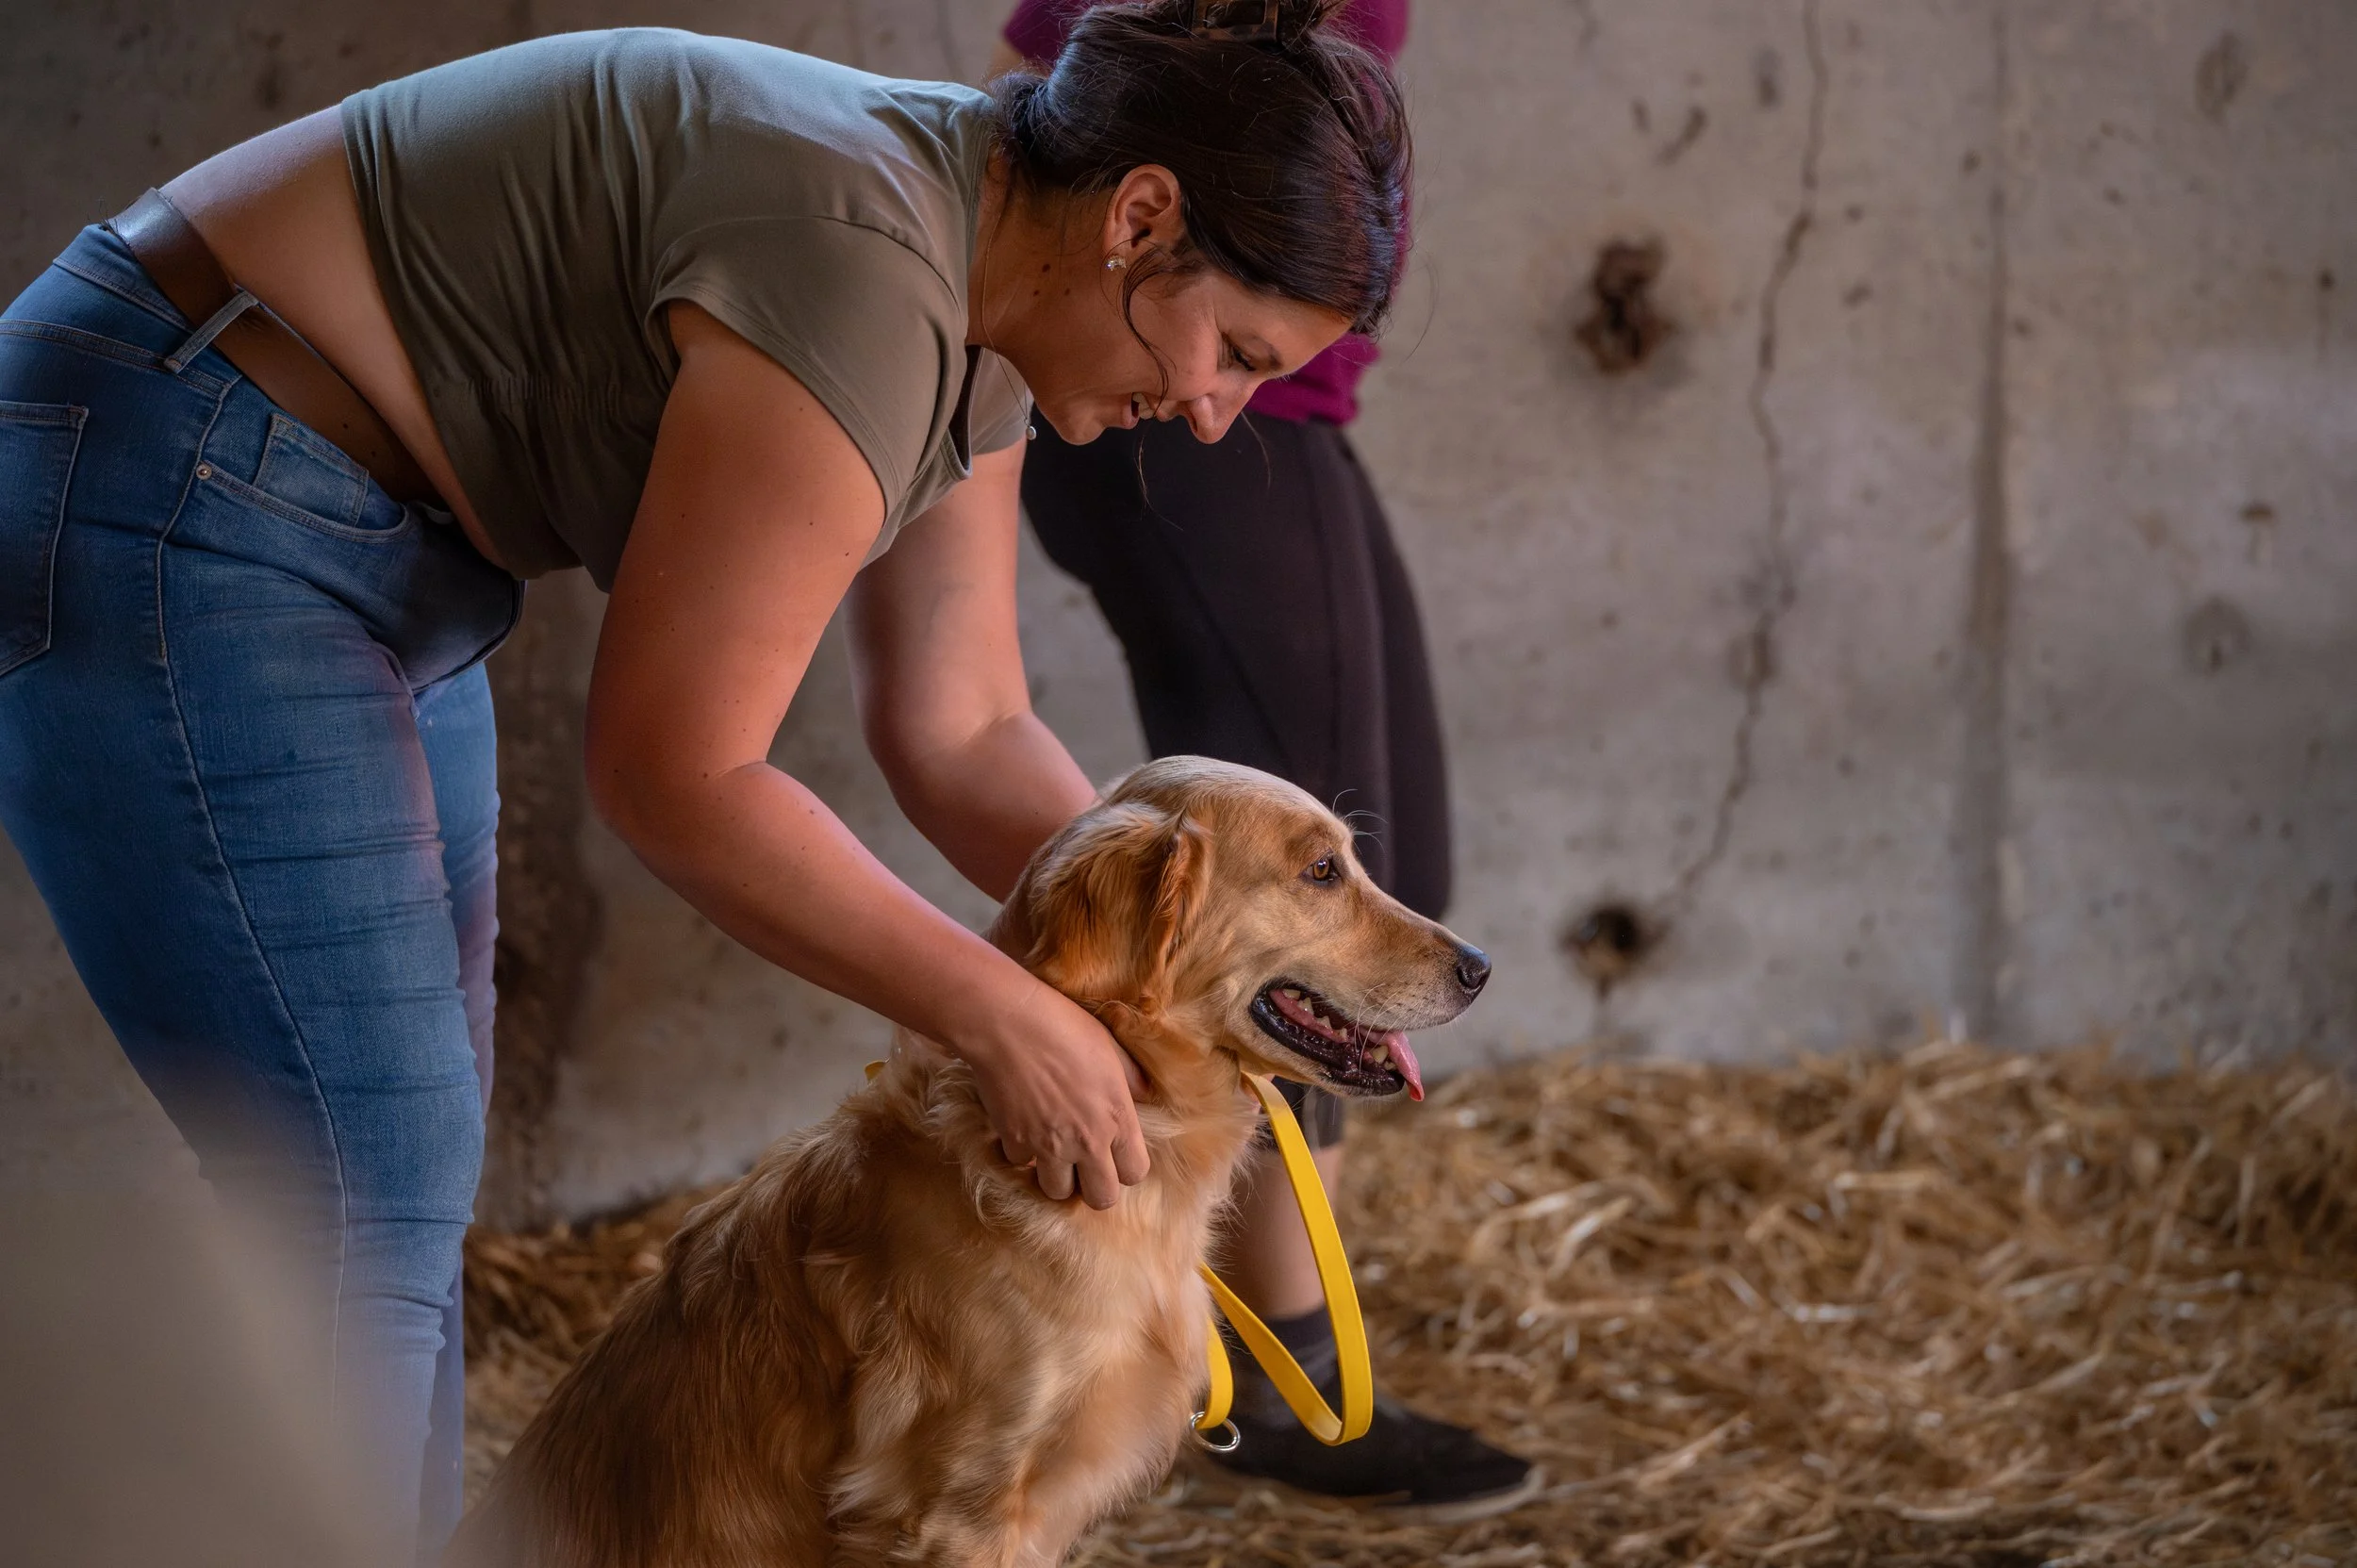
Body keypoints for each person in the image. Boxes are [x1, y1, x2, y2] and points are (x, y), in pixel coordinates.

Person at [0, 4, 1404, 1558]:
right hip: (179, 457)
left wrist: (1179, 953)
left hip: (381, 542)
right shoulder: (866, 270)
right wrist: (1006, 1012)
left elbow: (963, 724)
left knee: (398, 1177)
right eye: (1233, 357)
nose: (1215, 416)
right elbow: (676, 773)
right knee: (361, 1185)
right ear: (1142, 219)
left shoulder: (996, 284)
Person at [993, 0, 1538, 1524]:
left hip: (1273, 371)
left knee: (1375, 867)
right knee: (1292, 923)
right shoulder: (1171, 340)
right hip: (1223, 374)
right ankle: (1279, 1372)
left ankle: (1246, 1344)